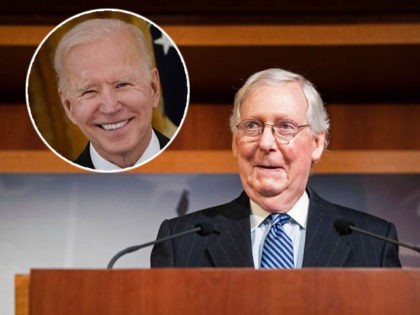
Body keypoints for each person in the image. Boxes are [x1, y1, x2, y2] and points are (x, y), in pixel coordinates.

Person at [150, 68, 401, 268]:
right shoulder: (181, 242)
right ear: (236, 143)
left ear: (316, 143)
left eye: (285, 127)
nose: (266, 143)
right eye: (252, 126)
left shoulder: (372, 241)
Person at [54, 18, 169, 171]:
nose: (110, 107)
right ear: (69, 107)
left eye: (122, 85)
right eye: (89, 91)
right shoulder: (59, 187)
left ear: (153, 88)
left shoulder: (201, 163)